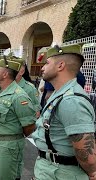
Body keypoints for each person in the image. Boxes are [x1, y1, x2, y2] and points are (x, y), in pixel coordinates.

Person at [32, 44, 96, 180]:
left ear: (60, 65)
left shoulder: (70, 101)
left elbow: (86, 153)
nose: (42, 67)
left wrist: (92, 172)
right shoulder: (60, 94)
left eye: (47, 63)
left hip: (61, 173)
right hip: (53, 170)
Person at [0, 55, 36, 180]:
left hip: (8, 145)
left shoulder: (19, 96)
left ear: (5, 75)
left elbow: (29, 126)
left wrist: (14, 137)